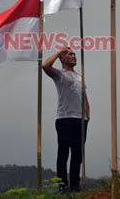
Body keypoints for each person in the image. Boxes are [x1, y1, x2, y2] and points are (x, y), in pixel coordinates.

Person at [43, 47, 90, 192]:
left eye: (74, 54)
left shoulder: (80, 77)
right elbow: (45, 66)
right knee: (63, 153)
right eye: (70, 54)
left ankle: (75, 185)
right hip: (64, 118)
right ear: (63, 59)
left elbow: (84, 97)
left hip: (80, 119)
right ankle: (62, 185)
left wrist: (87, 115)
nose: (73, 56)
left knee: (78, 154)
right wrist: (58, 52)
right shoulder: (59, 74)